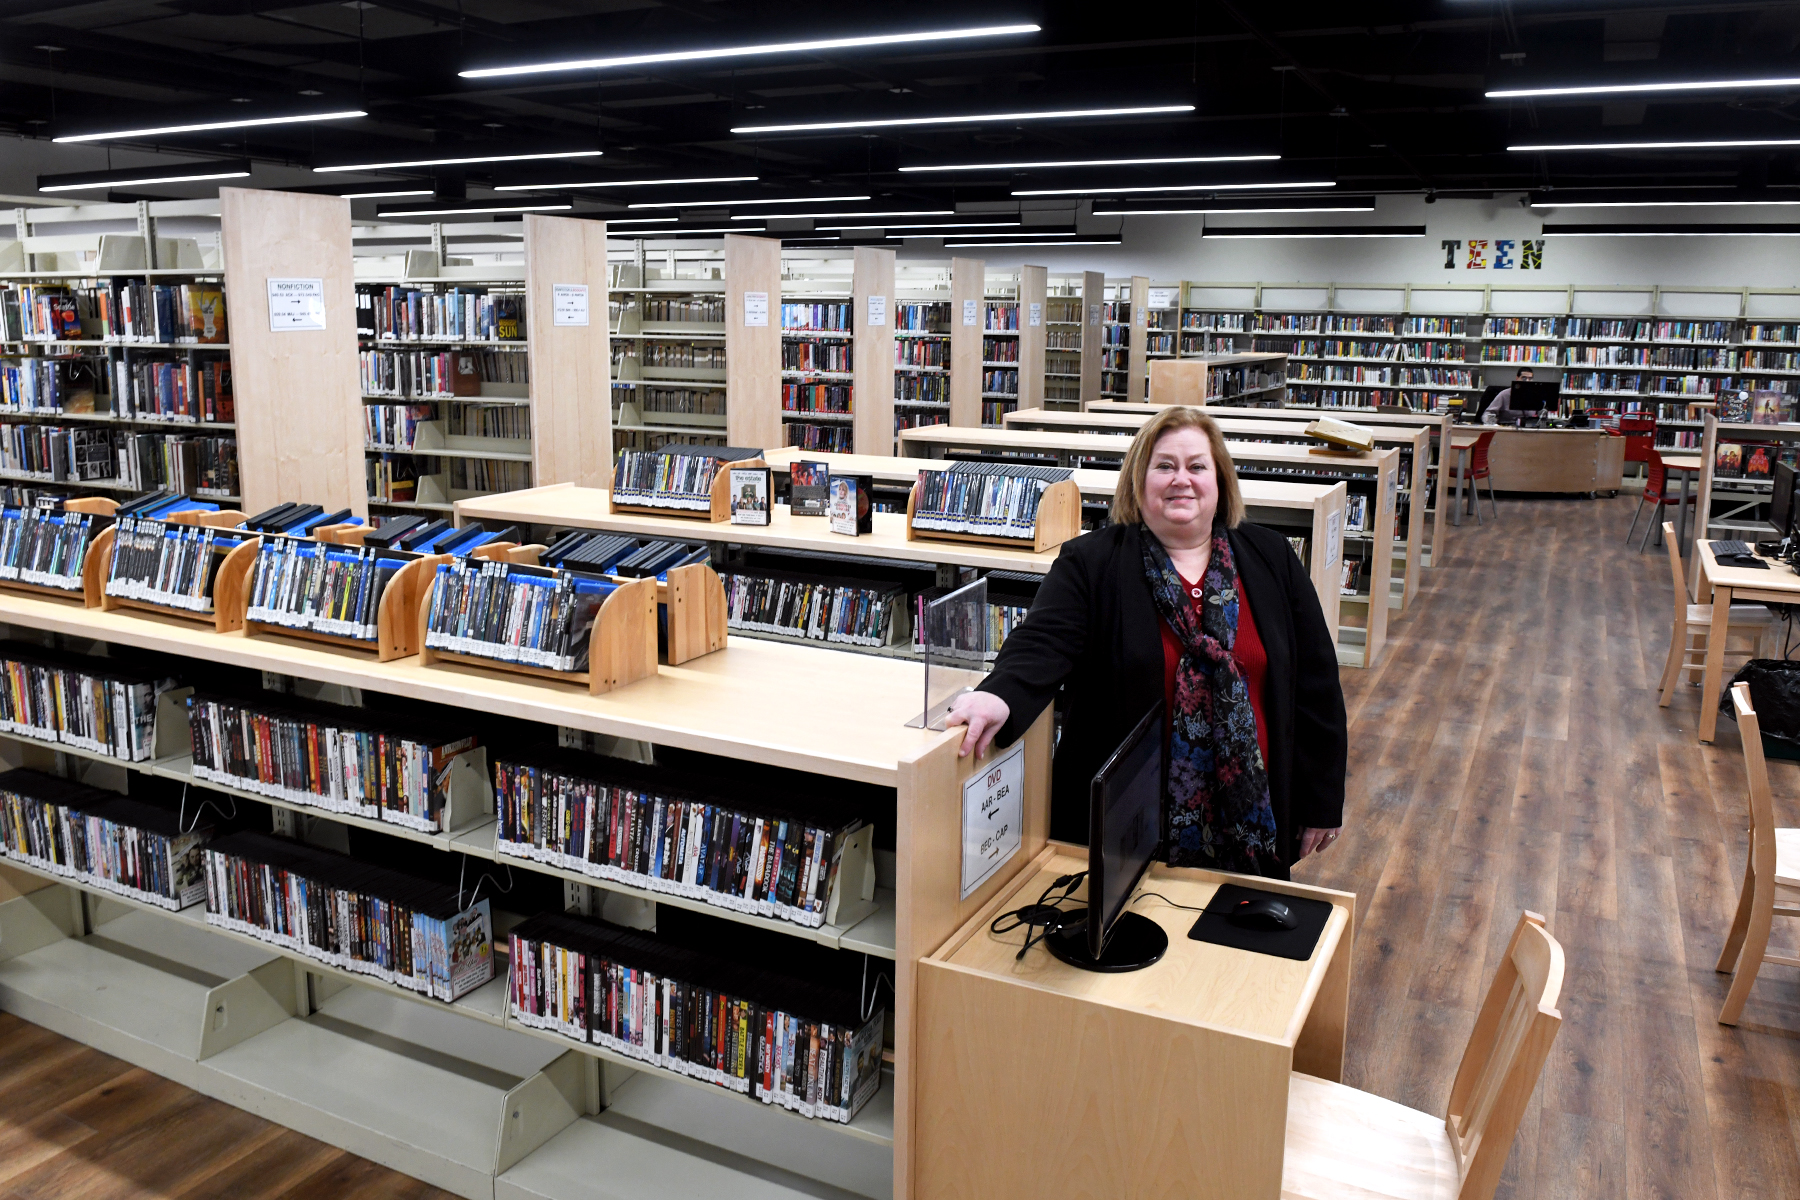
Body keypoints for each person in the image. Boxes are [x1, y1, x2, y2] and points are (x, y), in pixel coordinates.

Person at [946, 407, 1348, 878]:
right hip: (1126, 830)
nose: (1182, 480)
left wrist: (1321, 799)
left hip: (1256, 817)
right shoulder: (1091, 563)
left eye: (1197, 466)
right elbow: (1041, 641)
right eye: (1165, 466)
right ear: (1139, 481)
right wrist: (999, 694)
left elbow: (1316, 684)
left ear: (1219, 482)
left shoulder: (1271, 557)